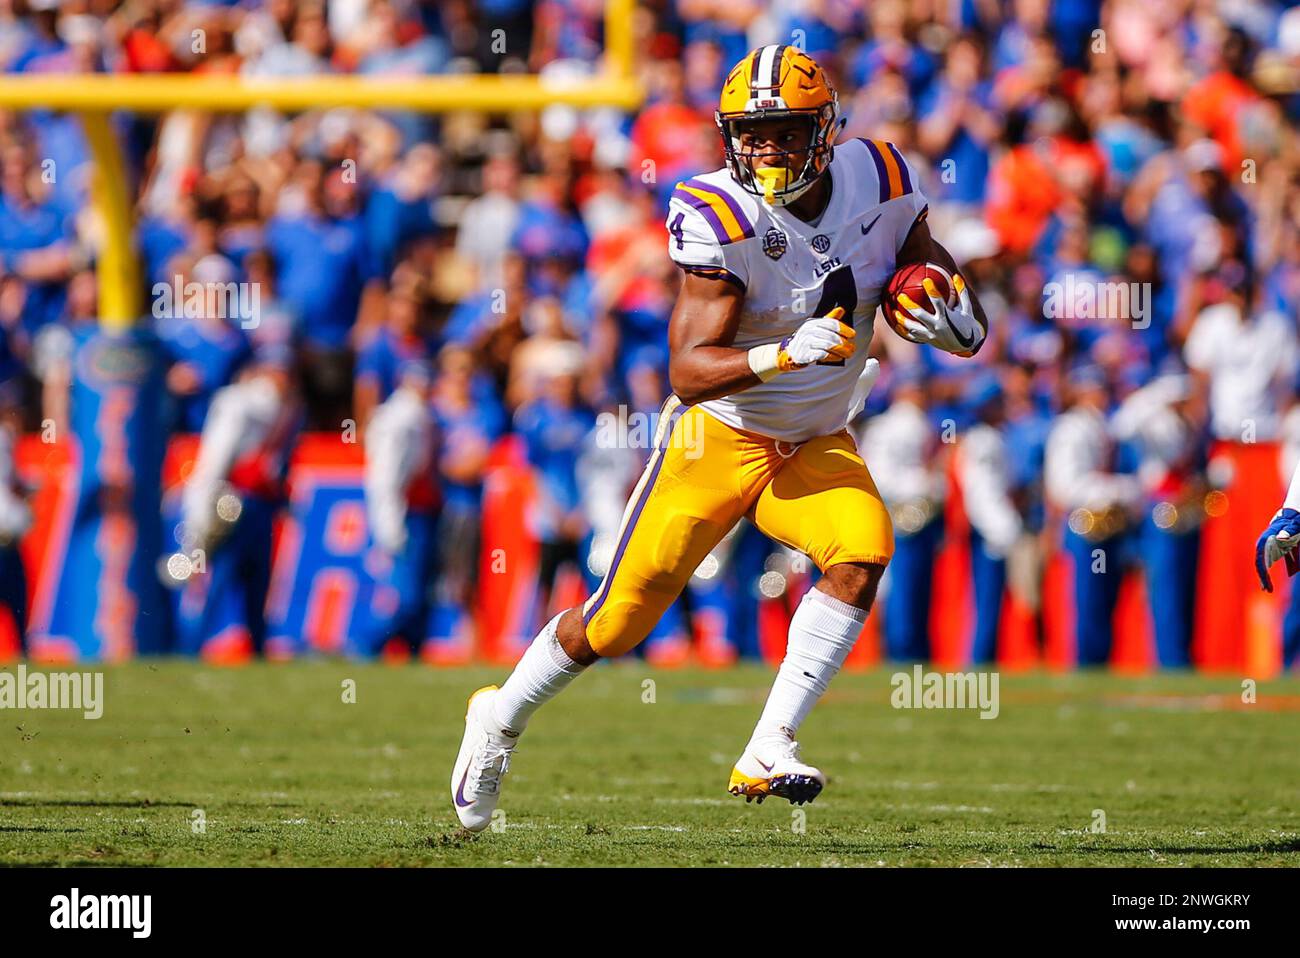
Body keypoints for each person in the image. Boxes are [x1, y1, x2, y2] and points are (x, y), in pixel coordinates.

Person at [450, 45, 989, 831]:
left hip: (811, 435)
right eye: (752, 132)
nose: (765, 148)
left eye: (783, 131)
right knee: (618, 620)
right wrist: (783, 351)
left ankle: (770, 744)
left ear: (825, 130)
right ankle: (497, 722)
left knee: (863, 550)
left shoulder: (880, 174)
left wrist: (955, 304)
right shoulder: (718, 212)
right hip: (720, 435)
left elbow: (914, 258)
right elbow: (687, 371)